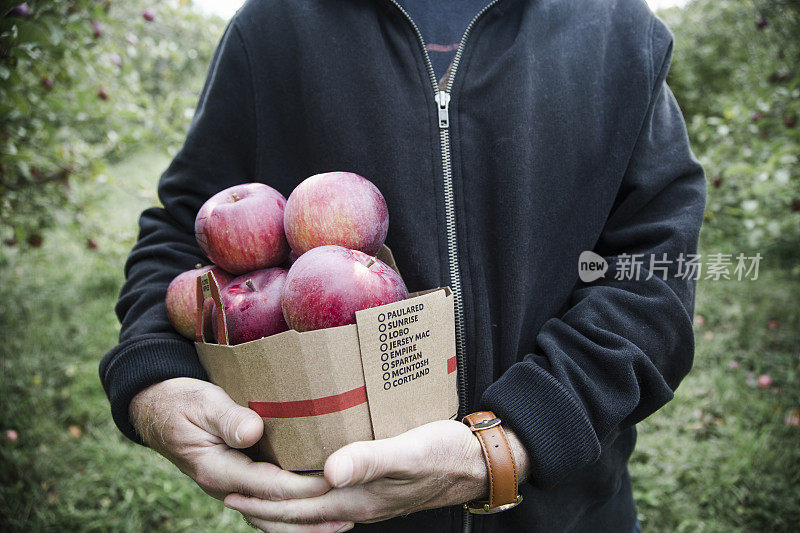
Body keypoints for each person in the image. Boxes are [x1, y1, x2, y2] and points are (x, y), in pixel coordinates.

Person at [100, 0, 706, 531]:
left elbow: (655, 266)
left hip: (569, 515)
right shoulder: (273, 27)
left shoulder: (620, 30)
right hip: (329, 507)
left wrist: (513, 439)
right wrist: (155, 379)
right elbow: (187, 229)